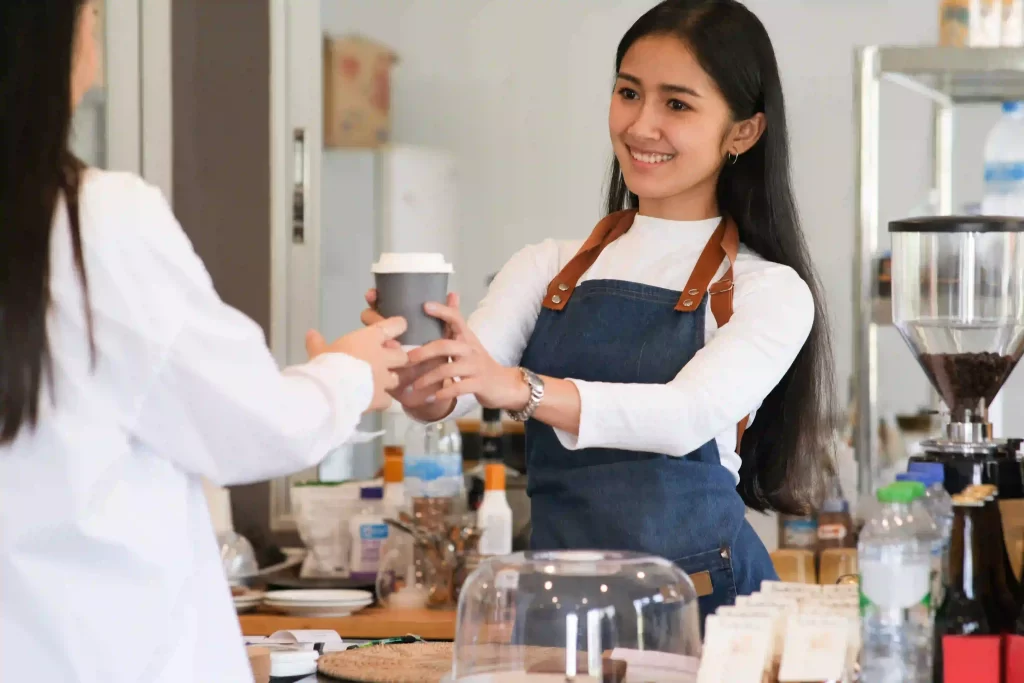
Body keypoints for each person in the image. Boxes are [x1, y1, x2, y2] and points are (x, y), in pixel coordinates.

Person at [364, 0, 835, 621]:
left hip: (707, 611)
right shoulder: (547, 267)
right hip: (559, 605)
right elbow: (454, 394)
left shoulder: (766, 289)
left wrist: (521, 388)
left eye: (677, 104)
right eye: (628, 93)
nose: (641, 126)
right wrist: (416, 371)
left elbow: (681, 418)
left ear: (743, 131)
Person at [0, 2, 407, 681]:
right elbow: (255, 424)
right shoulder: (95, 222)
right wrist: (350, 372)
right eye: (92, 21)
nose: (96, 53)